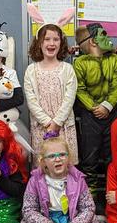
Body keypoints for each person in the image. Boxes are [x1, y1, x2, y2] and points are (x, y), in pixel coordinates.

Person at [18, 138, 101, 223]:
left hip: (73, 218)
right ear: (43, 161)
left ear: (68, 158)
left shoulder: (78, 179)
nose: (58, 159)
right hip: (46, 220)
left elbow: (88, 207)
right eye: (51, 156)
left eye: (62, 154)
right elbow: (28, 210)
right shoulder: (35, 181)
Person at [73, 23, 117, 213]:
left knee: (112, 155)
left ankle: (112, 191)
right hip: (90, 116)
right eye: (104, 35)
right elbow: (80, 89)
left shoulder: (114, 59)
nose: (108, 38)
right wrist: (95, 108)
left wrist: (107, 106)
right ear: (93, 40)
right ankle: (90, 195)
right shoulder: (80, 63)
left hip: (112, 114)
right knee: (90, 156)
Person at [24, 24, 79, 164]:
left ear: (61, 43)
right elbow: (32, 101)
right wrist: (48, 123)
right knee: (44, 166)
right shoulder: (31, 70)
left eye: (56, 39)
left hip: (63, 127)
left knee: (64, 165)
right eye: (47, 39)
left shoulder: (68, 69)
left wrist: (56, 123)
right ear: (39, 43)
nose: (51, 43)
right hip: (41, 128)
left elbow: (69, 99)